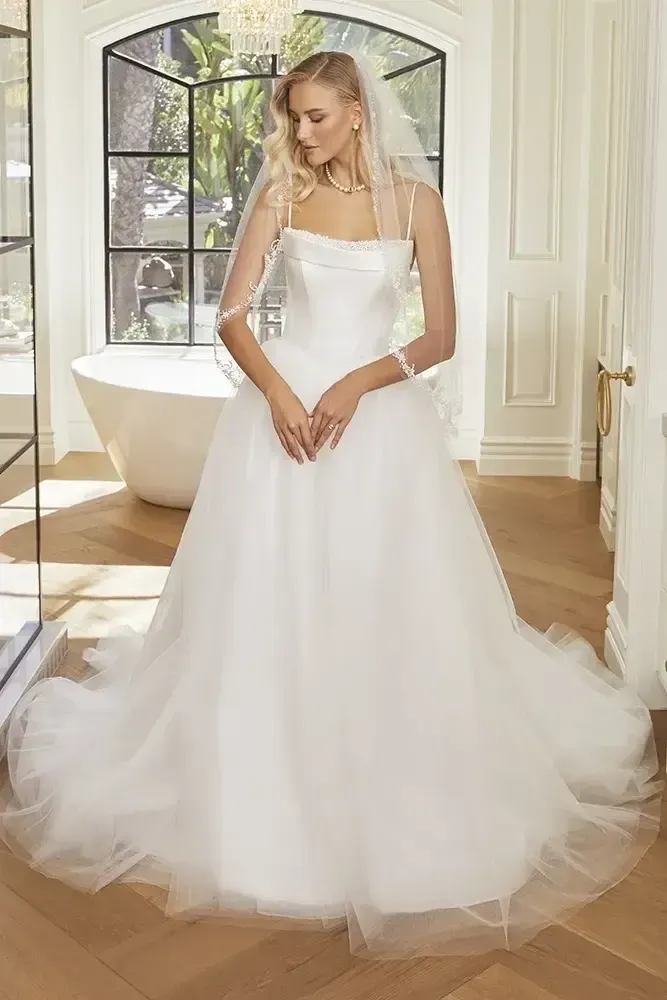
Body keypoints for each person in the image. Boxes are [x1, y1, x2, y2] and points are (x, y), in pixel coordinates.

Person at [0, 51, 660, 961]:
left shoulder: (418, 205)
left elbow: (439, 334)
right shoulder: (280, 193)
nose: (301, 134)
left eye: (315, 118)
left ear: (357, 111)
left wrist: (355, 384)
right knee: (264, 598)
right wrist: (278, 394)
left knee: (387, 595)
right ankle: (259, 786)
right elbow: (232, 316)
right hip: (280, 417)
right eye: (295, 119)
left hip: (376, 420)